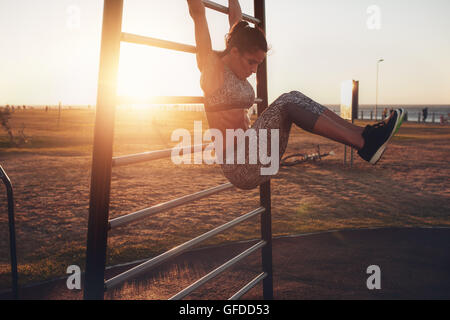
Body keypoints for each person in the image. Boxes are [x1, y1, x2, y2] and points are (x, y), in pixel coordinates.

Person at [187, 0, 405, 190]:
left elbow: (236, 19)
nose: (254, 70)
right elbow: (198, 13)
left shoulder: (238, 63)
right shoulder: (211, 70)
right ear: (234, 52)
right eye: (251, 62)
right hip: (240, 166)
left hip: (258, 154)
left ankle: (366, 135)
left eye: (258, 63)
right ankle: (365, 144)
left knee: (293, 96)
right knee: (287, 102)